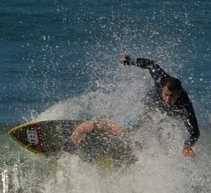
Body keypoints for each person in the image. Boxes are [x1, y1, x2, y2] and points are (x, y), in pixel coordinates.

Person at [71, 54, 200, 158]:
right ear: (162, 88)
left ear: (179, 93)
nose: (168, 99)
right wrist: (130, 60)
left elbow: (195, 132)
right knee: (128, 129)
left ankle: (140, 154)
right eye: (165, 94)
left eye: (172, 96)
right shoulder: (161, 79)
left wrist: (187, 145)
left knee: (162, 143)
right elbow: (150, 64)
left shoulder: (185, 104)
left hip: (164, 116)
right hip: (151, 106)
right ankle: (91, 125)